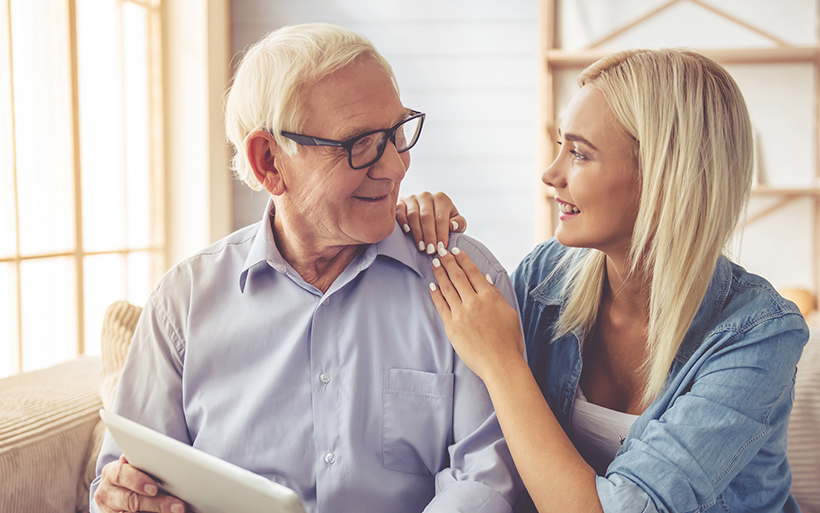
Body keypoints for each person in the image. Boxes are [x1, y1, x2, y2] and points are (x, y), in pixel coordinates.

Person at [90, 23, 523, 513]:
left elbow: (485, 485)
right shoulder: (182, 304)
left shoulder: (465, 280)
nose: (397, 168)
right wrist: (126, 499)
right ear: (269, 161)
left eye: (397, 133)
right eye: (361, 144)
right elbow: (123, 479)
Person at [397, 48, 810, 512]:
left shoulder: (760, 334)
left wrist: (502, 361)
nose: (550, 174)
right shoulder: (544, 277)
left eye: (578, 153)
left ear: (661, 178)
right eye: (560, 147)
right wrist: (417, 229)